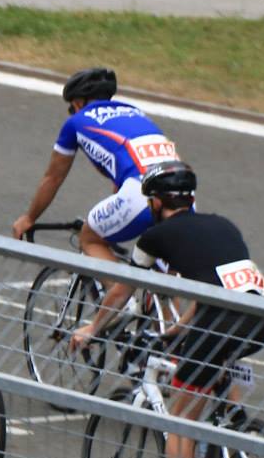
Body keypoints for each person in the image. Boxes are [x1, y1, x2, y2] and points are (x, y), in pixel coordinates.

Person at [125, 164, 264, 458]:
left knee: (179, 419)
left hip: (221, 323)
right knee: (216, 365)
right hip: (260, 320)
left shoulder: (155, 236)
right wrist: (180, 327)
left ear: (156, 203)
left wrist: (92, 328)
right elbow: (215, 285)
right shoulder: (222, 224)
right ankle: (231, 424)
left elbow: (127, 285)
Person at [10, 65, 183, 351]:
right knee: (164, 274)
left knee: (90, 236)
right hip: (182, 192)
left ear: (77, 103)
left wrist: (29, 217)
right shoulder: (133, 112)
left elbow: (53, 178)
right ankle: (170, 352)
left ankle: (119, 297)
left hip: (142, 193)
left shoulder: (77, 122)